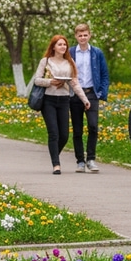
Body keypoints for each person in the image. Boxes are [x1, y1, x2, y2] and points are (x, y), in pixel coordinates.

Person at [32, 34, 90, 175]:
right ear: (53, 47)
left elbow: (75, 83)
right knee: (53, 133)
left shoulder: (70, 62)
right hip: (48, 100)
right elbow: (37, 80)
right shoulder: (45, 61)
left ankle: (54, 154)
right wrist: (50, 82)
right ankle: (56, 165)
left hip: (64, 100)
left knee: (64, 135)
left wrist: (85, 99)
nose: (63, 47)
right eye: (60, 44)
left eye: (64, 44)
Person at [69, 22, 110, 173]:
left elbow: (104, 74)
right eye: (80, 35)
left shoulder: (96, 53)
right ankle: (80, 161)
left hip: (92, 93)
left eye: (85, 35)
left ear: (89, 35)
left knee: (93, 126)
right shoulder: (70, 53)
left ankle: (91, 159)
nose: (83, 38)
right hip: (75, 94)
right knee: (77, 129)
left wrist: (101, 92)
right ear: (76, 36)